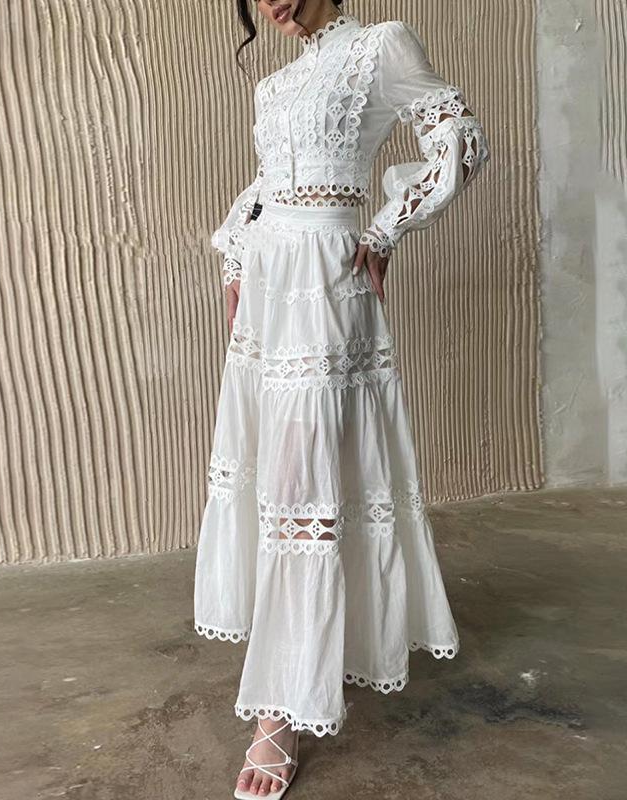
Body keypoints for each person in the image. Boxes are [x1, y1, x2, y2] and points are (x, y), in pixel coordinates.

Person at [193, 2, 490, 797]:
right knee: (279, 477)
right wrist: (235, 255)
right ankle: (303, 659)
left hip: (329, 279)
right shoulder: (277, 85)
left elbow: (458, 140)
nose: (270, 5)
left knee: (306, 482)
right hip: (271, 284)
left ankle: (279, 712)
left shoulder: (381, 46)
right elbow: (269, 185)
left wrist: (385, 228)